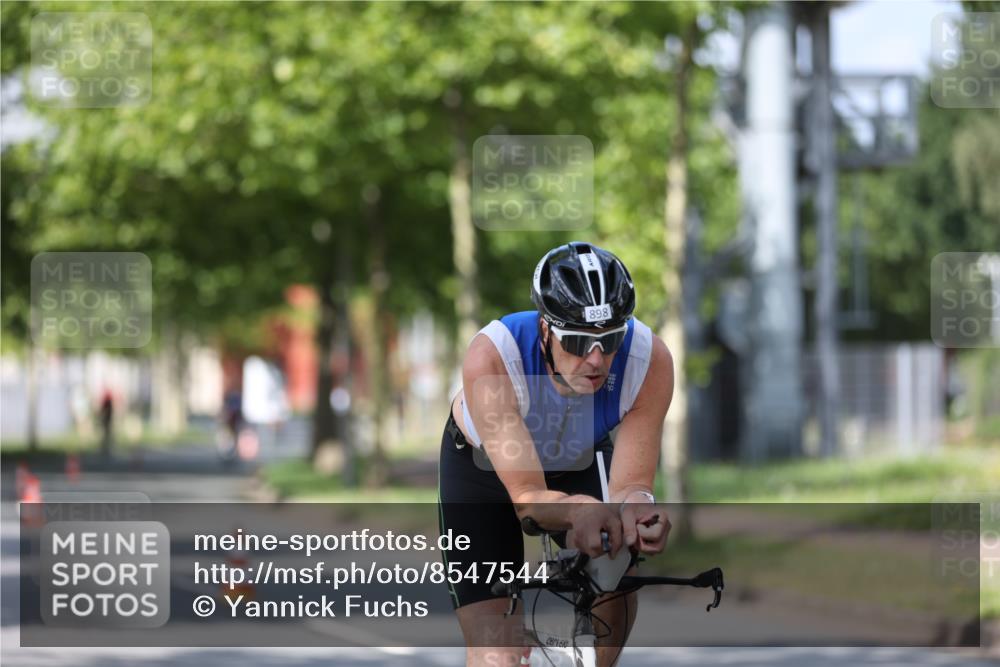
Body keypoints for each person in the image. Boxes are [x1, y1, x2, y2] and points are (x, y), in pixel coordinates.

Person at [438, 242, 674, 667]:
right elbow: (528, 499)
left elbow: (632, 487)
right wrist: (581, 510)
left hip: (578, 456)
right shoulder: (494, 357)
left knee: (617, 560)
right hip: (484, 474)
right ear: (546, 329)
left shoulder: (648, 359)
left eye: (611, 340)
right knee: (496, 655)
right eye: (579, 342)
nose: (597, 360)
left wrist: (639, 511)